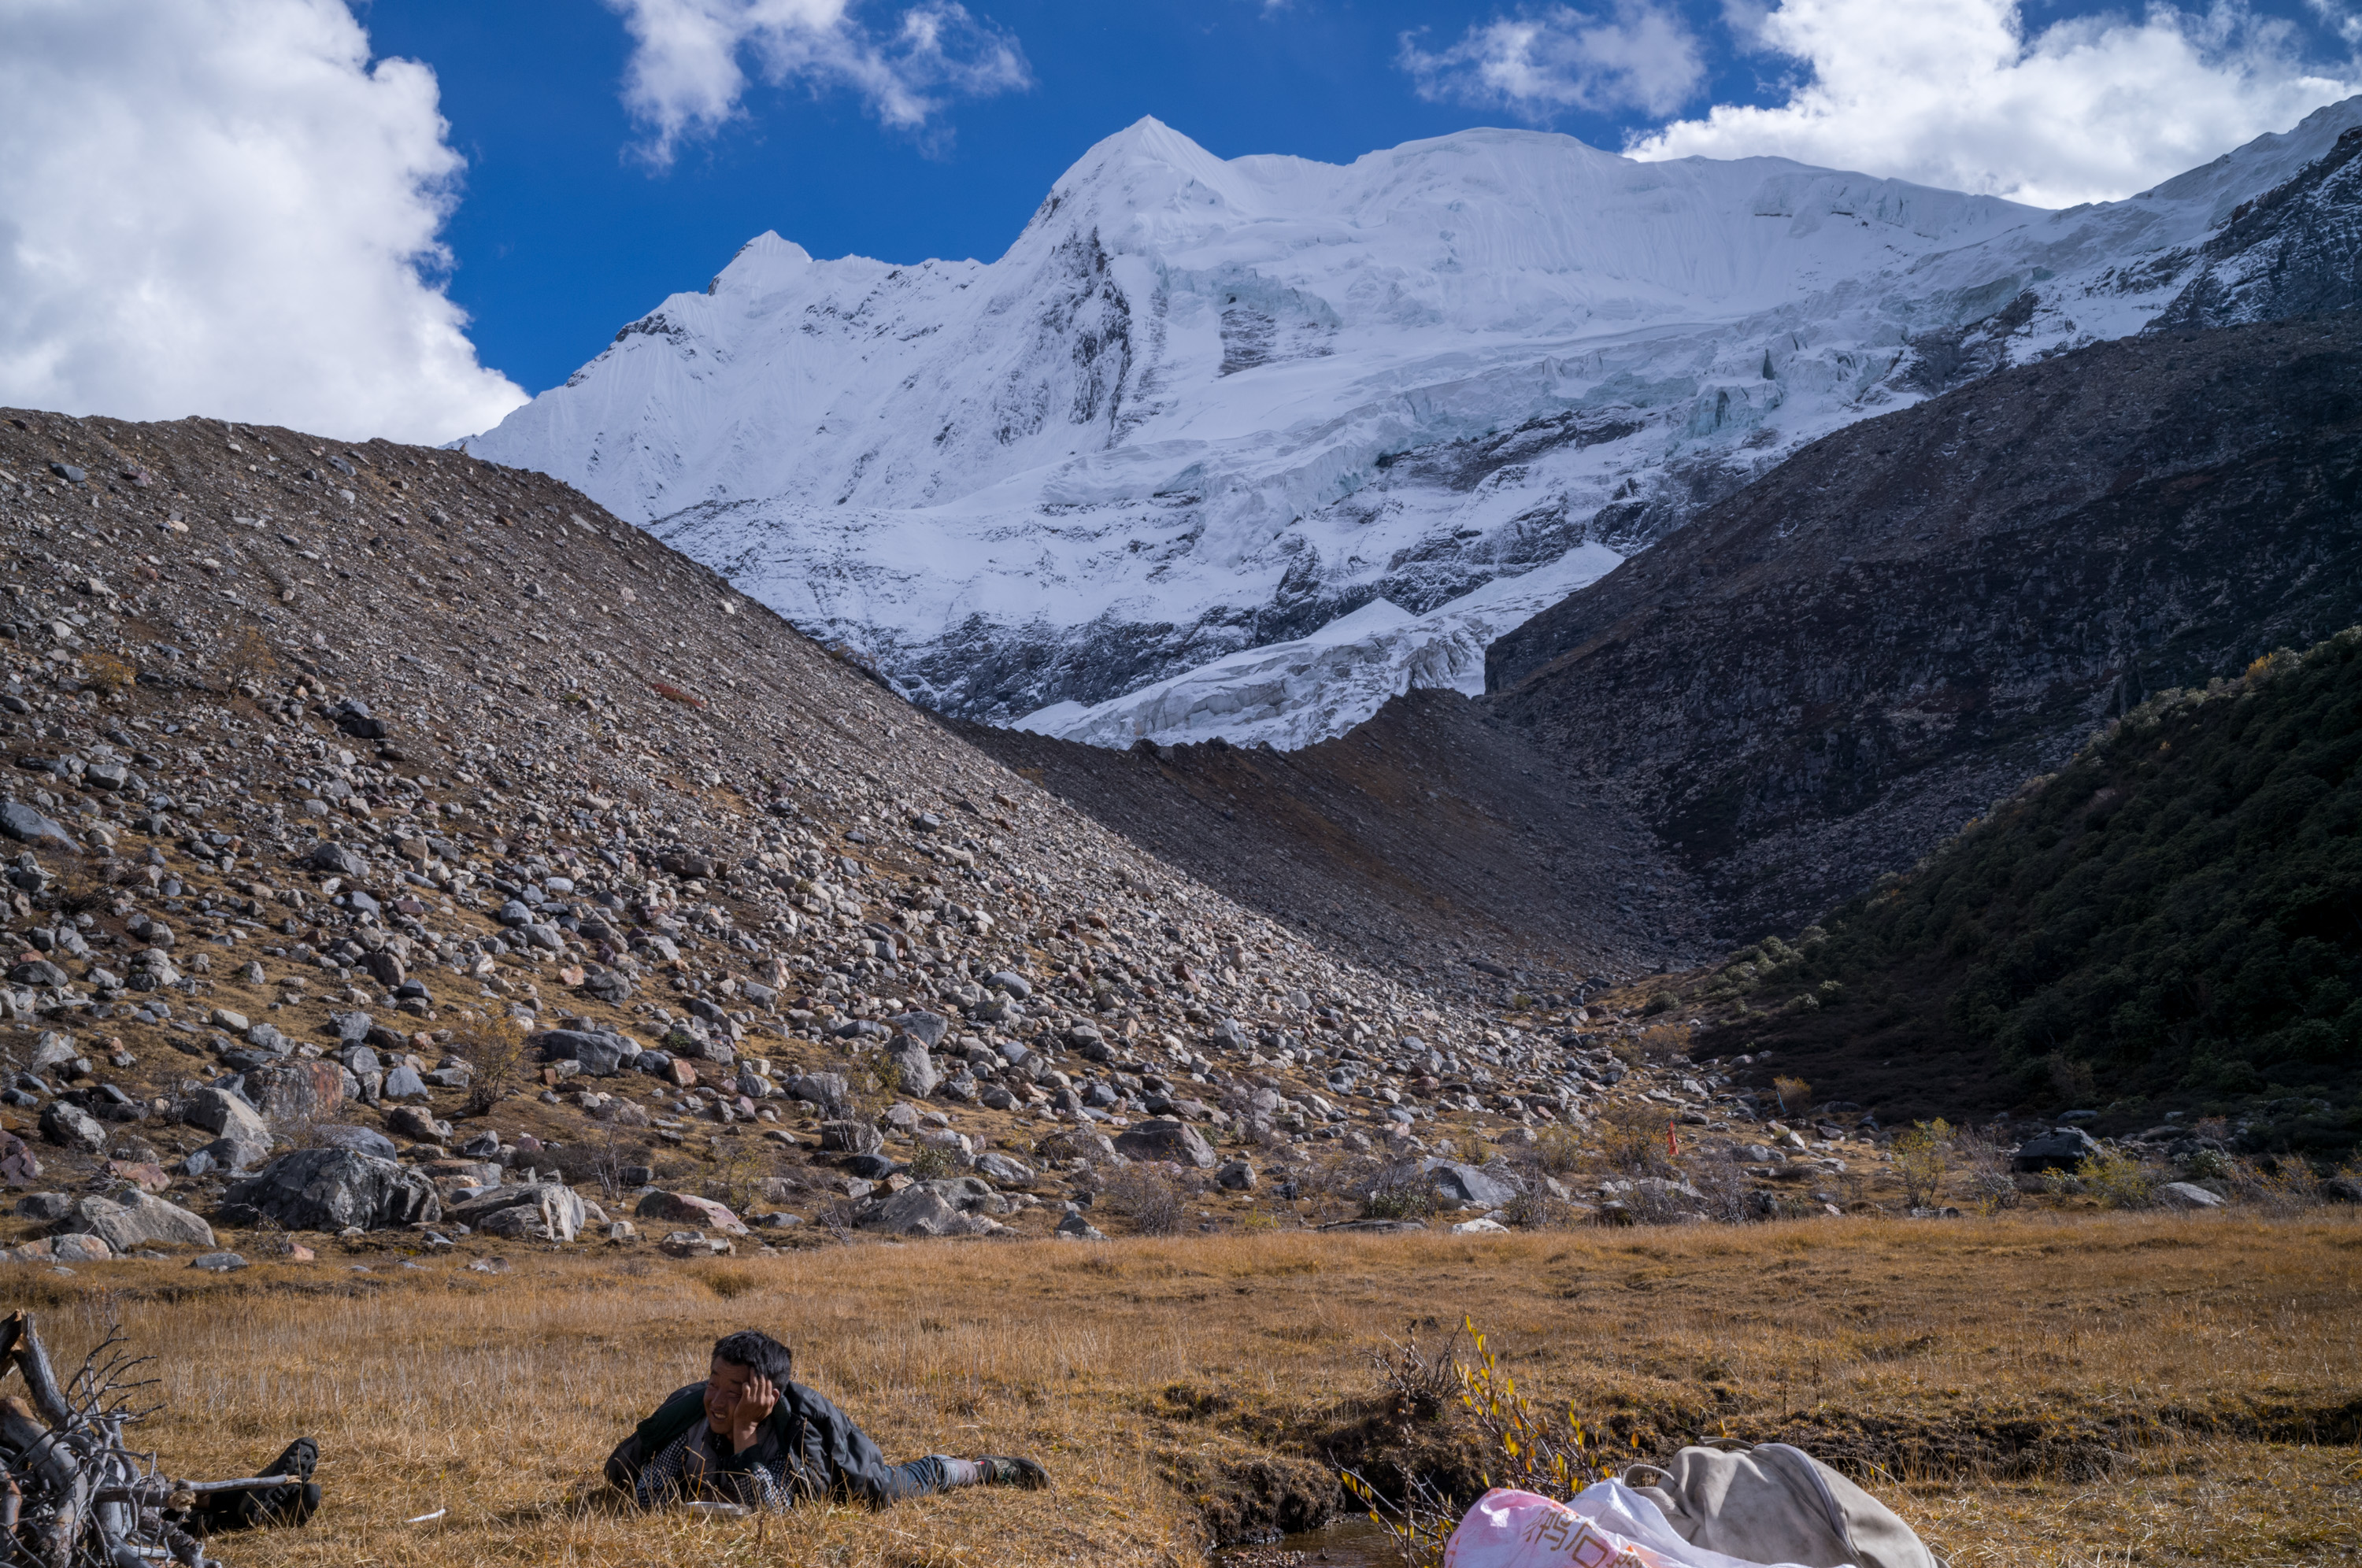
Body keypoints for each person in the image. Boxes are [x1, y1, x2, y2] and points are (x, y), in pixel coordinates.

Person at [605, 1329, 1050, 1511]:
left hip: (834, 1476)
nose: (717, 1400)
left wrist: (743, 1433)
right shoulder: (691, 1418)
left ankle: (974, 1468)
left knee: (889, 1490)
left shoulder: (792, 1431)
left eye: (735, 1391)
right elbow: (648, 1495)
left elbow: (776, 1510)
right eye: (713, 1383)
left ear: (765, 1396)